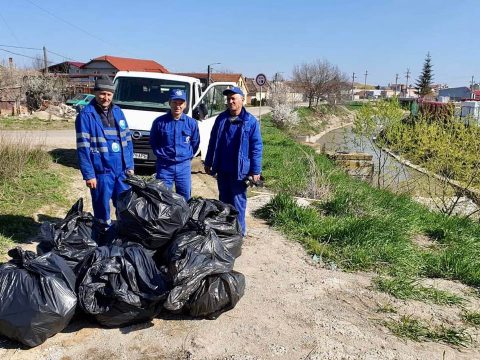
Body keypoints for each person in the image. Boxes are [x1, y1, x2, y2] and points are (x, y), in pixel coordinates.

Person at [204, 86, 263, 236]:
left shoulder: (250, 121)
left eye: (233, 98)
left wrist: (256, 170)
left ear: (242, 100)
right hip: (223, 169)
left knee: (238, 203)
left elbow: (256, 147)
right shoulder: (221, 119)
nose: (230, 102)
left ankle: (239, 234)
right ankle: (224, 233)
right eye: (228, 99)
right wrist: (209, 161)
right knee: (223, 202)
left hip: (240, 171)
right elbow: (213, 142)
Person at [75, 76, 134, 226]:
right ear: (95, 93)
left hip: (121, 171)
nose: (105, 98)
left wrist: (130, 166)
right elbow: (83, 148)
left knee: (125, 206)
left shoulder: (118, 112)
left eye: (109, 94)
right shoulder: (86, 115)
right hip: (101, 172)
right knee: (102, 209)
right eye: (102, 93)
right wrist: (89, 174)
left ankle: (122, 236)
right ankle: (103, 238)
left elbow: (127, 141)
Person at [149, 88, 200, 201]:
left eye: (180, 103)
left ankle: (182, 219)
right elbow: (153, 142)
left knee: (185, 197)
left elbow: (195, 143)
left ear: (185, 104)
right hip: (164, 166)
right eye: (174, 103)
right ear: (169, 103)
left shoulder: (191, 123)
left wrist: (186, 157)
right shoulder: (159, 122)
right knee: (163, 197)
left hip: (184, 166)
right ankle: (165, 219)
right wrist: (162, 155)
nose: (177, 106)